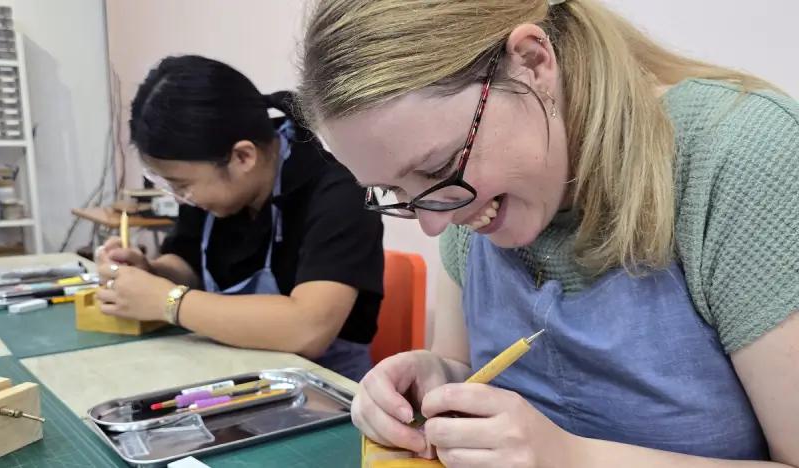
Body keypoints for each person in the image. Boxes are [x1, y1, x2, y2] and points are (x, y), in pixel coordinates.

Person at [297, 0, 799, 465]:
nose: (433, 223)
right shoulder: (467, 198)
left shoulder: (745, 155)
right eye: (392, 190)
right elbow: (464, 363)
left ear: (533, 63)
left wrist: (572, 458)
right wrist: (438, 377)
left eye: (439, 168)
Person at [95, 55, 384, 382]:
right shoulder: (215, 190)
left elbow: (307, 329)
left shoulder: (339, 191)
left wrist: (166, 301)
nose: (180, 198)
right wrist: (151, 273)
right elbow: (188, 263)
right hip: (228, 373)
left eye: (183, 186)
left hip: (323, 387)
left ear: (243, 157)